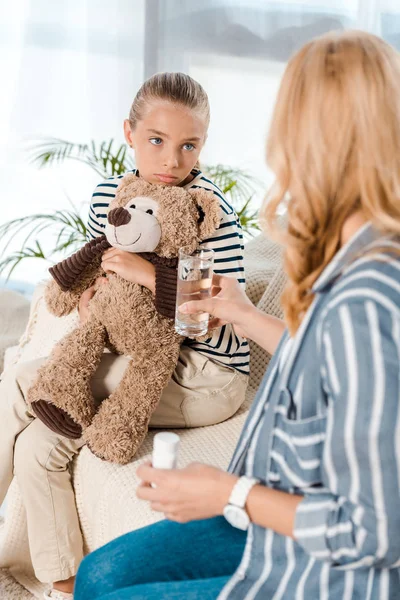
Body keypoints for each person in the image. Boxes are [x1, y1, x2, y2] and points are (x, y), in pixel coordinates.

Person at [74, 30, 400, 600]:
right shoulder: (352, 253)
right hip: (276, 519)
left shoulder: (368, 297)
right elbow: (333, 366)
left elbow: (374, 532)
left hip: (325, 567)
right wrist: (244, 316)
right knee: (99, 576)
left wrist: (231, 493)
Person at [0, 72, 248, 600]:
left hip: (204, 373)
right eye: (156, 140)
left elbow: (210, 316)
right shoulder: (108, 197)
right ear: (129, 134)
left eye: (189, 145)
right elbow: (100, 268)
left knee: (24, 380)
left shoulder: (210, 215)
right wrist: (97, 296)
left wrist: (141, 273)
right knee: (41, 442)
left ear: (203, 145)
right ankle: (64, 582)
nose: (172, 161)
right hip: (134, 353)